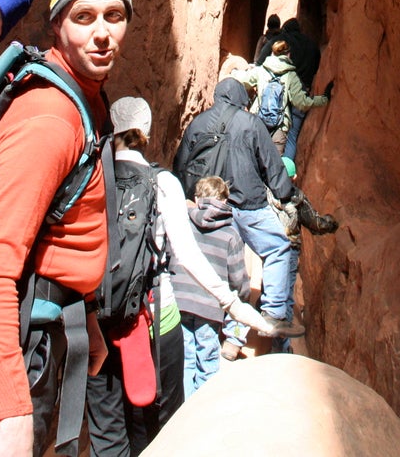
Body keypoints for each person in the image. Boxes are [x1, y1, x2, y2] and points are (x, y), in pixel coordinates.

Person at [0, 0, 133, 457]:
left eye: (114, 16)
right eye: (84, 17)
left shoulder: (85, 99)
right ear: (56, 25)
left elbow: (66, 227)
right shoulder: (49, 117)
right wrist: (10, 411)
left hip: (40, 330)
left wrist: (86, 316)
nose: (102, 33)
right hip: (7, 345)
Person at [87, 98, 274, 456]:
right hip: (155, 317)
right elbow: (188, 255)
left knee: (107, 428)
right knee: (159, 423)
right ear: (146, 132)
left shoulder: (93, 178)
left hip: (97, 320)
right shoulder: (163, 183)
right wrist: (232, 304)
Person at [173, 77, 306, 338]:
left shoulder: (198, 123)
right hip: (247, 204)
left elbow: (181, 163)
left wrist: (188, 199)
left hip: (210, 204)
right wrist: (284, 193)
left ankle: (230, 336)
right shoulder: (250, 123)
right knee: (278, 248)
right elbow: (270, 162)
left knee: (225, 266)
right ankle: (274, 315)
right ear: (240, 99)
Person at [171, 175, 250, 383]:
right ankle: (203, 402)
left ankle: (186, 403)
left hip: (180, 300)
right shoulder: (230, 234)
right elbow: (238, 278)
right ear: (224, 200)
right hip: (211, 305)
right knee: (207, 362)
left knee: (185, 360)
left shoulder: (181, 223)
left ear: (197, 198)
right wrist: (241, 300)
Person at [267, 156, 338, 354]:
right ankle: (281, 347)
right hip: (288, 250)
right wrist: (331, 223)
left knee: (271, 285)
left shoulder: (264, 193)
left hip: (268, 248)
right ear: (294, 177)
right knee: (285, 297)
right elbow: (315, 223)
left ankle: (265, 313)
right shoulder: (296, 197)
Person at [238, 40, 329, 157]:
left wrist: (233, 72)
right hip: (279, 128)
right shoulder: (291, 76)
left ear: (272, 53)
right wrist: (323, 99)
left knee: (253, 159)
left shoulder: (261, 70)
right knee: (274, 164)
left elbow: (243, 81)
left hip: (258, 123)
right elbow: (301, 102)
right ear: (288, 54)